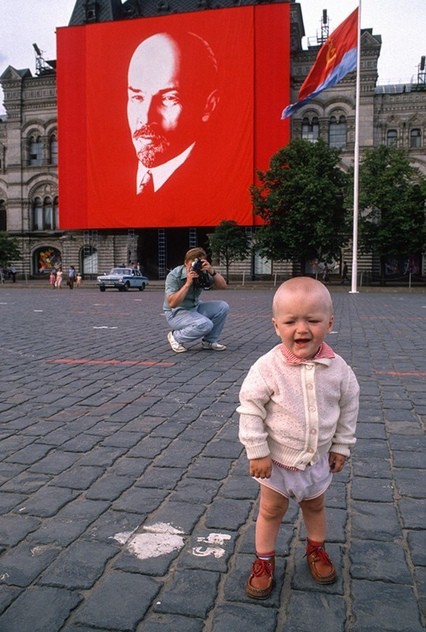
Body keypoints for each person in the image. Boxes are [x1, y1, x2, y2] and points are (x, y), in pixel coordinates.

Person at [238, 277, 359, 599]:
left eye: (313, 320)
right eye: (291, 321)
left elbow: (348, 407)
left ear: (329, 323)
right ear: (277, 326)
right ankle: (264, 560)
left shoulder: (339, 369)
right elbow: (250, 408)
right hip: (275, 462)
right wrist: (257, 451)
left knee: (315, 507)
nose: (301, 329)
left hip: (316, 460)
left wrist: (341, 446)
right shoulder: (267, 367)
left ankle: (316, 549)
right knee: (271, 511)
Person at [127, 31, 219, 197]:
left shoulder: (216, 184)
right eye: (137, 97)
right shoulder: (101, 182)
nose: (147, 118)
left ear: (208, 106)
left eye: (169, 98)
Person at [164, 247, 228, 353]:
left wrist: (212, 271)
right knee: (206, 324)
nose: (195, 268)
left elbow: (223, 286)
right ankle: (175, 337)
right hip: (176, 312)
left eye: (199, 264)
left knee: (223, 306)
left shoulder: (202, 272)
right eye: (193, 264)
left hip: (195, 307)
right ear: (185, 263)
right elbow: (172, 303)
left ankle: (209, 341)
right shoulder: (174, 275)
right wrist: (188, 284)